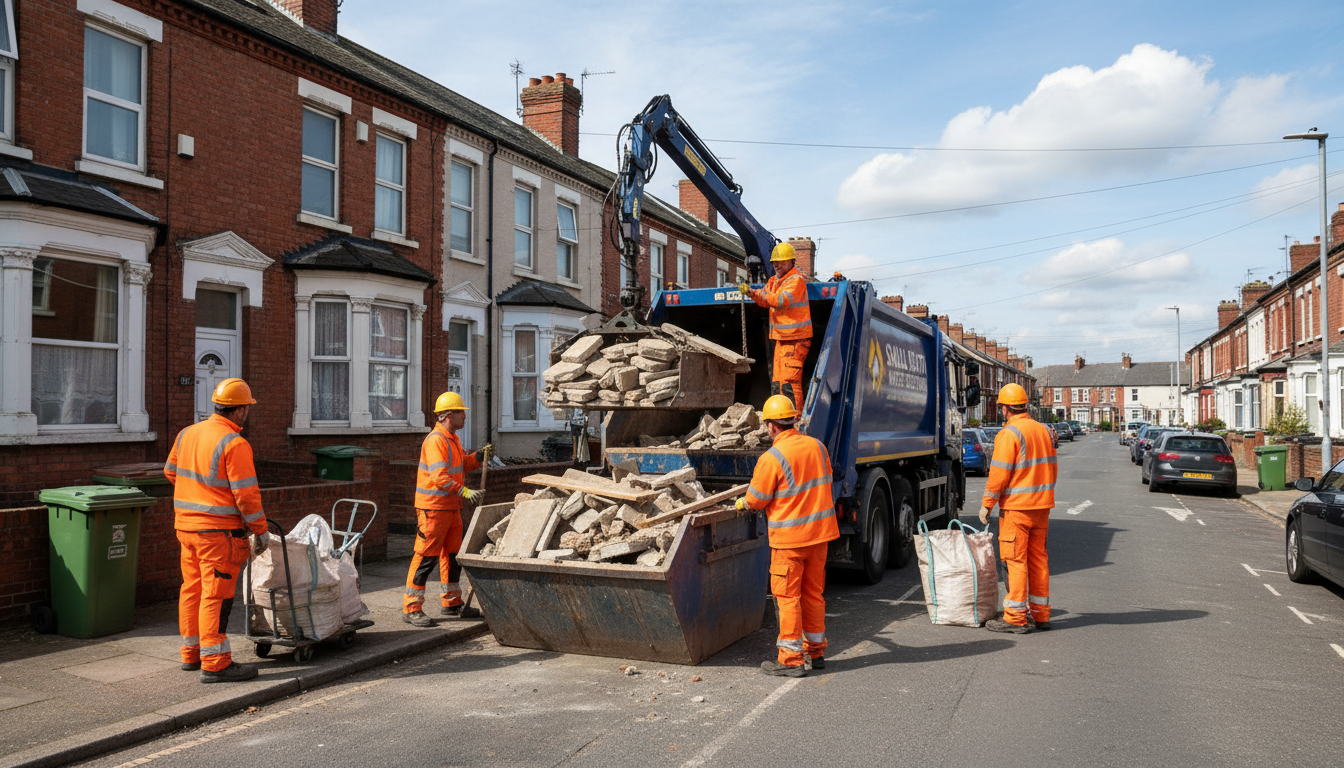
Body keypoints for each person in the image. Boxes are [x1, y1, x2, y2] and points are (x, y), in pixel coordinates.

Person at [164, 378, 269, 683]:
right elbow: (246, 495)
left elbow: (170, 472)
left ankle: (191, 654)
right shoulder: (234, 443)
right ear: (240, 411)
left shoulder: (187, 433)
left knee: (192, 589)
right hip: (217, 534)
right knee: (216, 595)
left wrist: (198, 497)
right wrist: (259, 530)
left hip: (186, 527)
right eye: (247, 409)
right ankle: (216, 662)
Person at [736, 395, 839, 676]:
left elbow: (757, 499)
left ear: (770, 427)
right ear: (793, 420)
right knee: (813, 595)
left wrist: (743, 503)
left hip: (790, 541)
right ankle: (816, 654)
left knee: (788, 597)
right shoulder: (817, 447)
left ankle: (791, 661)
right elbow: (823, 481)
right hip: (819, 537)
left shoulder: (772, 458)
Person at [404, 392, 493, 626]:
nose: (465, 417)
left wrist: (478, 457)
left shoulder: (451, 438)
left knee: (452, 557)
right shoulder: (436, 440)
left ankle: (452, 603)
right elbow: (440, 478)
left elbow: (461, 464)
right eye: (461, 413)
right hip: (433, 510)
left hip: (450, 508)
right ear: (449, 415)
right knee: (426, 558)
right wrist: (465, 492)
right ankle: (412, 608)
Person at [978, 383, 1058, 634]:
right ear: (1024, 405)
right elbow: (1052, 468)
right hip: (1042, 507)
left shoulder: (1009, 434)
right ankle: (1041, 614)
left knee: (1014, 560)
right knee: (1038, 560)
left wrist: (986, 504)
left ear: (1004, 408)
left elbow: (999, 475)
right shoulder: (1043, 431)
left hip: (1017, 510)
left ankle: (1015, 617)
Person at [739, 241, 812, 407]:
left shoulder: (796, 281)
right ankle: (782, 416)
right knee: (778, 382)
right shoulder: (773, 281)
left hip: (795, 340)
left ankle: (794, 420)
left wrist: (753, 291)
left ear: (792, 262)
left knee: (789, 382)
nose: (778, 265)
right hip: (782, 339)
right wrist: (752, 293)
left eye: (782, 262)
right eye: (775, 262)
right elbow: (764, 299)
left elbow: (780, 301)